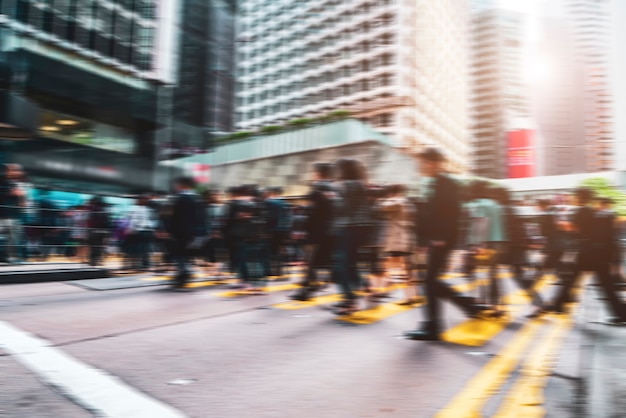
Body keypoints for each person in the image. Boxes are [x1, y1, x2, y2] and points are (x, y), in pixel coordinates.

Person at [405, 148, 489, 341]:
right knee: (431, 281)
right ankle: (467, 306)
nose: (420, 165)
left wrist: (441, 237)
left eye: (423, 162)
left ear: (434, 163)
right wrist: (423, 239)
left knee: (430, 281)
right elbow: (428, 214)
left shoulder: (447, 184)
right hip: (436, 239)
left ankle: (434, 326)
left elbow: (452, 214)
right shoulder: (432, 183)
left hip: (442, 239)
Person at [545, 188, 626, 324]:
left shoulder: (582, 210)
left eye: (575, 196)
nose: (574, 198)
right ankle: (621, 313)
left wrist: (558, 223)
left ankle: (558, 304)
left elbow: (573, 227)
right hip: (598, 253)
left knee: (572, 277)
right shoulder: (593, 211)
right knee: (603, 283)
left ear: (579, 197)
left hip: (587, 253)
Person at [330, 158, 372, 315]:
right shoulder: (361, 184)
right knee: (351, 262)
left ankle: (349, 301)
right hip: (361, 227)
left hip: (348, 227)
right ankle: (363, 285)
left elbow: (342, 208)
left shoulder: (344, 186)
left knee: (341, 264)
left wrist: (332, 199)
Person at [494, 187, 544, 318]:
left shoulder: (502, 210)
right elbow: (521, 227)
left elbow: (504, 230)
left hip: (510, 247)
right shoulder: (511, 209)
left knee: (511, 276)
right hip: (516, 247)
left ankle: (536, 302)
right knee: (516, 276)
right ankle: (536, 302)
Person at [291, 163, 336, 301]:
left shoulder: (318, 188)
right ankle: (310, 284)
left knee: (309, 261)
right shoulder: (335, 188)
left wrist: (302, 230)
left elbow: (312, 212)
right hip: (330, 230)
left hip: (316, 231)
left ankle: (307, 289)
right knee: (316, 261)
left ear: (317, 173)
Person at [378, 184, 419, 305]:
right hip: (406, 239)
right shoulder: (409, 203)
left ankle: (406, 296)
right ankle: (412, 295)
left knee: (396, 268)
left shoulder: (398, 201)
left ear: (392, 193)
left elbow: (383, 207)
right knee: (404, 268)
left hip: (398, 240)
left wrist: (384, 199)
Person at [167, 177, 204, 290]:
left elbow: (178, 218)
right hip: (194, 232)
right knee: (186, 255)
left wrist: (172, 231)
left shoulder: (182, 198)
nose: (175, 187)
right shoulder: (198, 199)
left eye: (177, 184)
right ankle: (184, 274)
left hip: (183, 232)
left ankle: (183, 275)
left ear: (183, 185)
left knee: (180, 254)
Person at [0, 164, 26, 263]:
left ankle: (11, 258)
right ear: (7, 171)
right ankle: (10, 258)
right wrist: (11, 193)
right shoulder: (3, 181)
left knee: (14, 238)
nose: (17, 172)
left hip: (13, 215)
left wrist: (21, 198)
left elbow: (21, 202)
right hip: (4, 215)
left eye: (18, 170)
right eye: (13, 170)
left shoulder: (16, 184)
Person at [264, 187, 292, 277]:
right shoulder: (286, 203)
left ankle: (271, 270)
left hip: (273, 230)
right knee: (280, 250)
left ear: (273, 192)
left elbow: (269, 217)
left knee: (270, 251)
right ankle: (280, 270)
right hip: (284, 231)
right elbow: (290, 218)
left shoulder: (271, 202)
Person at [87, 196, 111, 266]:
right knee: (99, 246)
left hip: (94, 231)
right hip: (102, 231)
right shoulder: (105, 210)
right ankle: (99, 261)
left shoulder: (93, 210)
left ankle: (93, 261)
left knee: (94, 247)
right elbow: (107, 222)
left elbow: (91, 221)